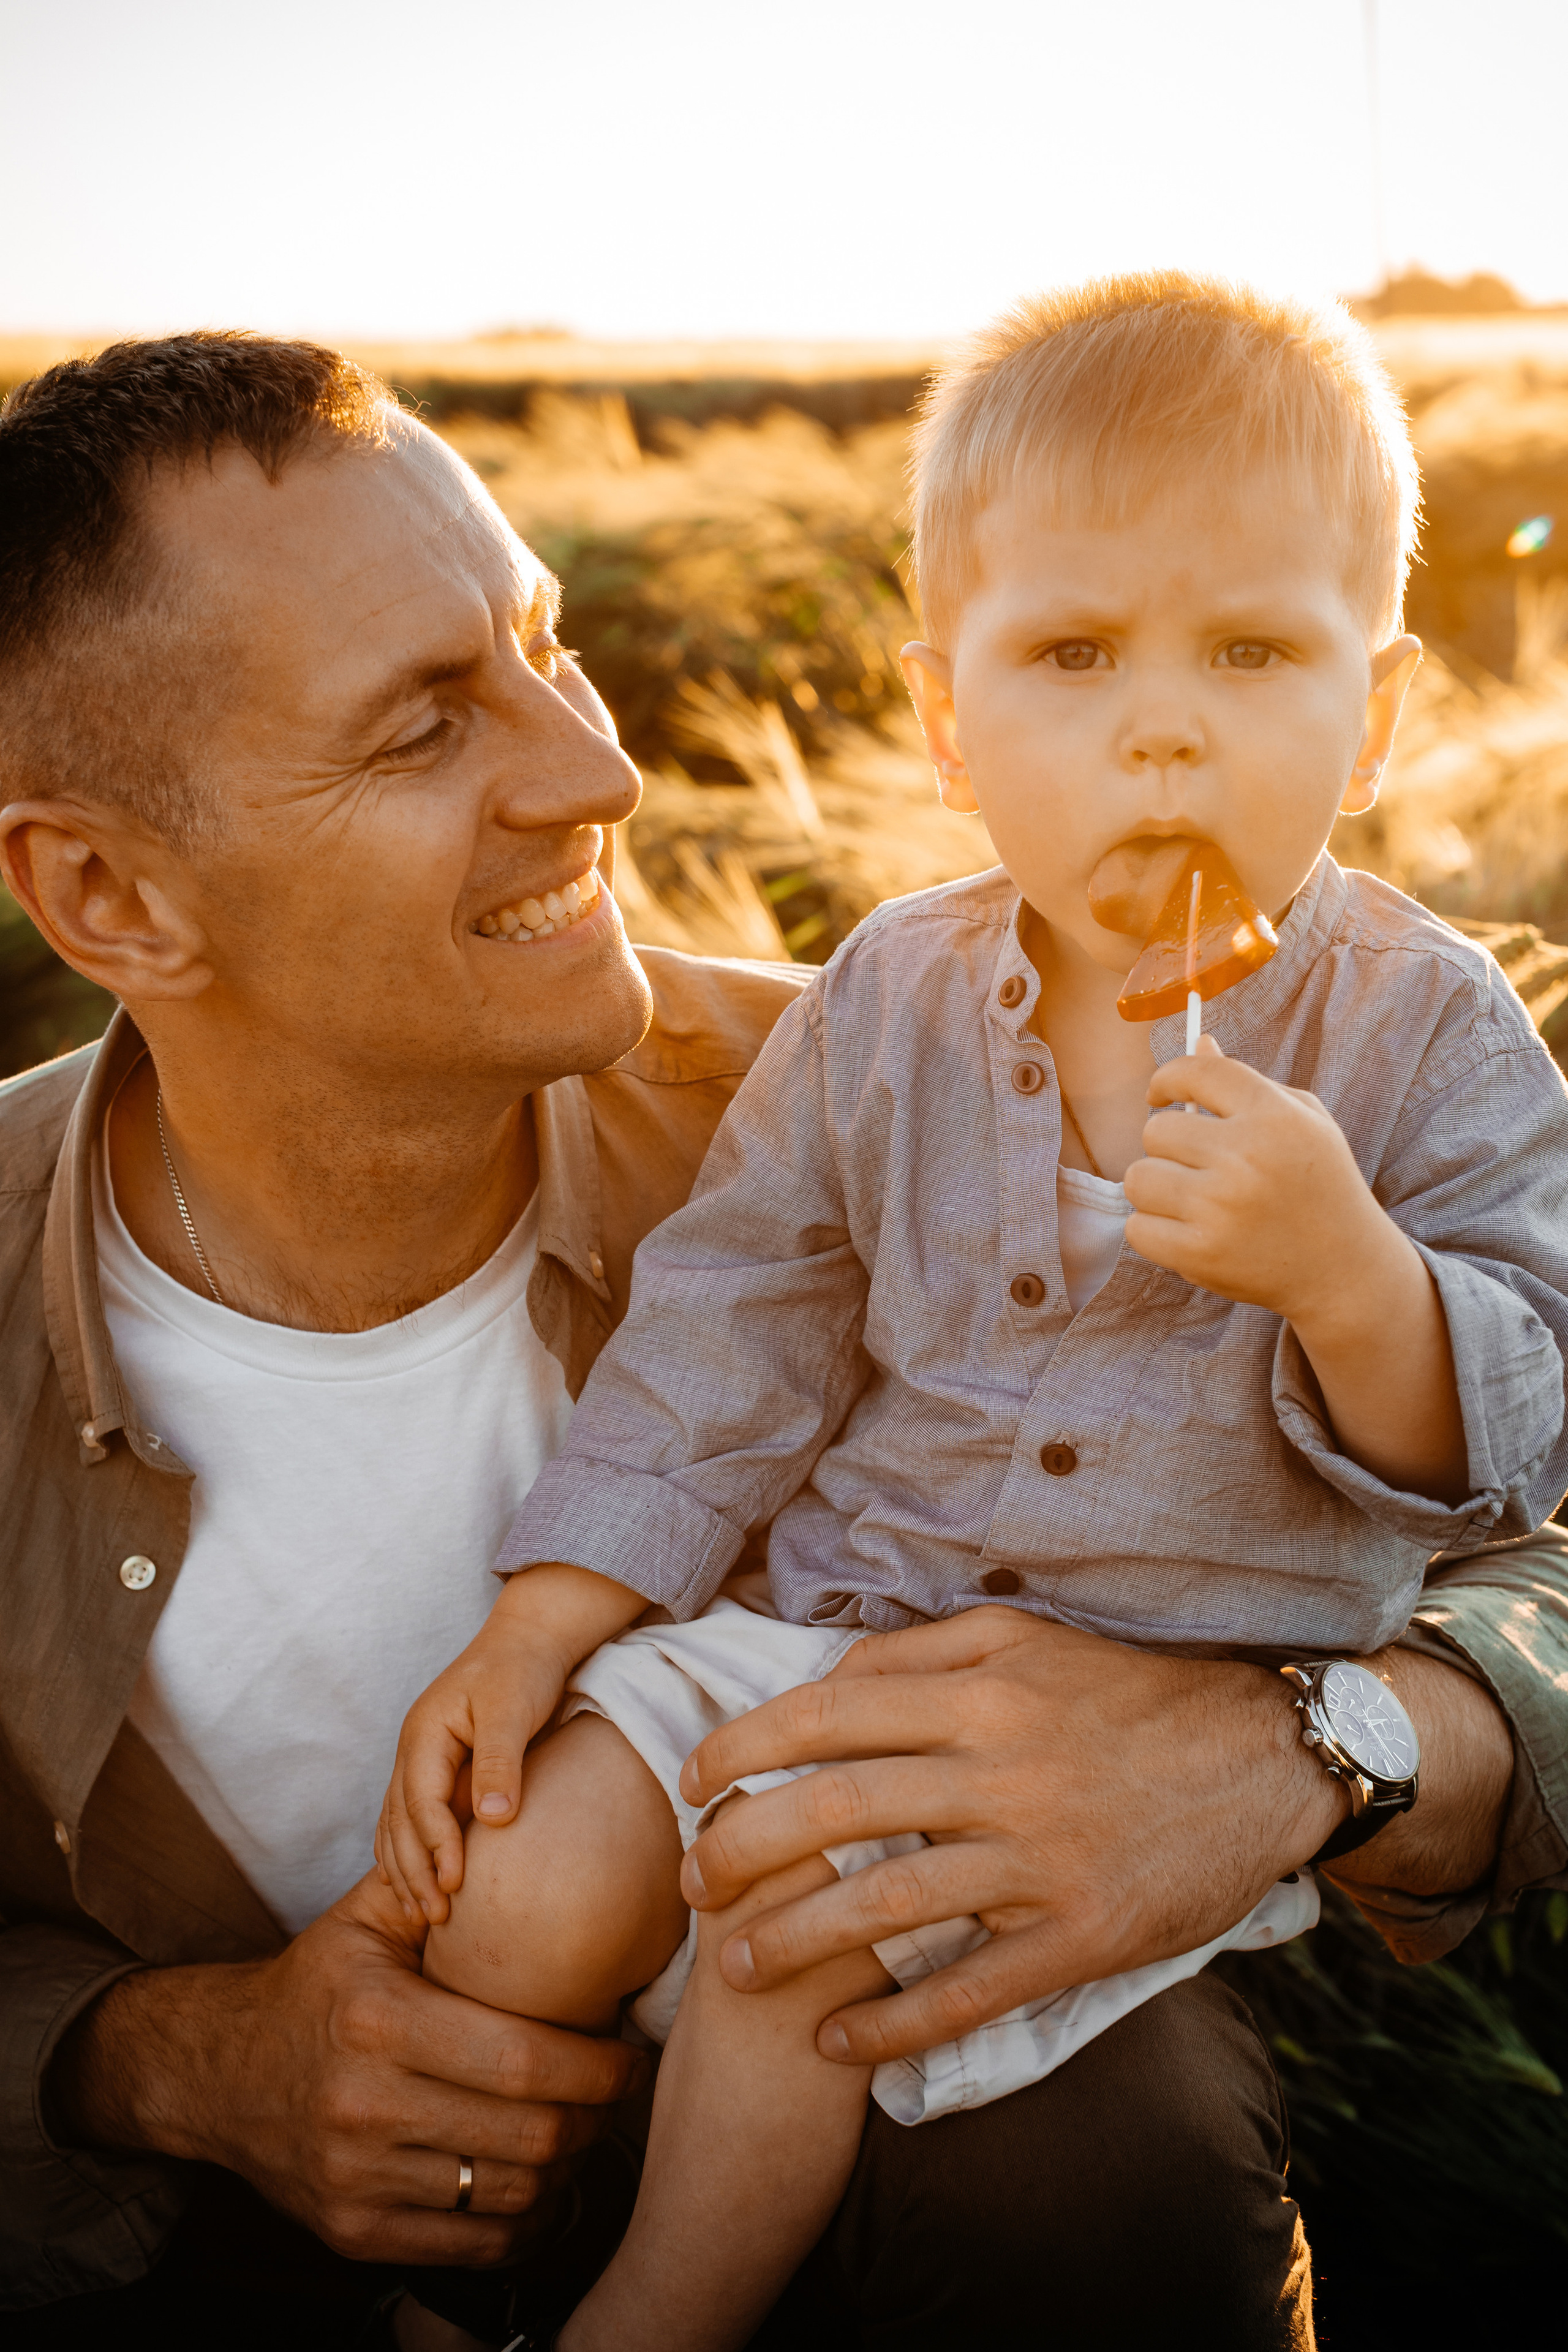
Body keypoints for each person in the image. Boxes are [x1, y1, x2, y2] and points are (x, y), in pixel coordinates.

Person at [0, 328, 1564, 2352]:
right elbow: (724, 1355)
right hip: (233, 2229)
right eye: (420, 730)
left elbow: (1541, 1515)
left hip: (891, 2038)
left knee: (1093, 2155)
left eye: (552, 646)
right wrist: (158, 2061)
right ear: (108, 895)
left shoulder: (817, 1061)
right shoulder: (891, 1048)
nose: (605, 772)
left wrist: (1311, 1739)